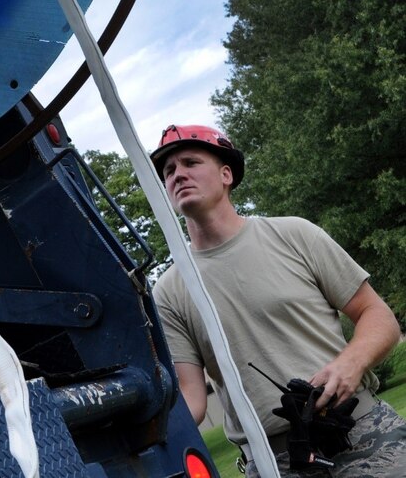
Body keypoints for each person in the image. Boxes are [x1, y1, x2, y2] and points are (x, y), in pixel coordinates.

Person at [149, 124, 405, 477]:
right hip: (275, 463)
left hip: (361, 435)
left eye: (190, 162)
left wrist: (351, 363)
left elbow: (377, 314)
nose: (178, 174)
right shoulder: (169, 291)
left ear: (226, 174)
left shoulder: (294, 234)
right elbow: (192, 399)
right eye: (168, 171)